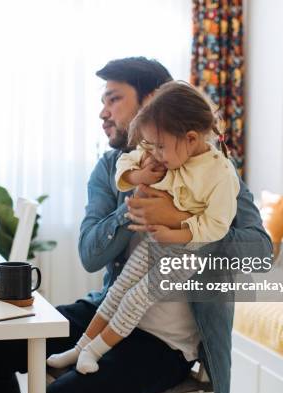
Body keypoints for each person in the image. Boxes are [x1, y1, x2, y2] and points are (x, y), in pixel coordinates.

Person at [0, 57, 272, 393]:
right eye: (102, 102)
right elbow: (90, 256)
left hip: (165, 343)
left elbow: (261, 252)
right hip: (109, 310)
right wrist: (133, 204)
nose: (102, 112)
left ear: (153, 100)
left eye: (114, 99)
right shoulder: (113, 169)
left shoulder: (214, 170)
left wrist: (178, 219)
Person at [47, 81, 240, 375]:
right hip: (156, 240)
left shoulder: (220, 173)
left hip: (185, 251)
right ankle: (79, 349)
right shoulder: (166, 147)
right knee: (119, 289)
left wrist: (174, 228)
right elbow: (127, 160)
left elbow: (217, 226)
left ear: (190, 138)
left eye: (160, 147)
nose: (156, 153)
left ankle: (94, 352)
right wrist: (140, 175)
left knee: (137, 297)